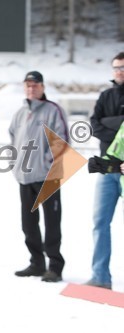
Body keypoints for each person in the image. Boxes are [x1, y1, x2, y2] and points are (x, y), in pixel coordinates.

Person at [9, 70, 69, 283]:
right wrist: (15, 164)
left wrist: (45, 164)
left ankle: (54, 266)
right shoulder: (20, 113)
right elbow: (12, 140)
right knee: (28, 224)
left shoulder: (53, 110)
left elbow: (61, 142)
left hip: (47, 177)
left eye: (35, 85)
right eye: (28, 85)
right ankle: (36, 263)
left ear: (43, 87)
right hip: (25, 178)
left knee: (52, 223)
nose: (31, 88)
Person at [85, 52, 124, 290]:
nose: (119, 71)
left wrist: (111, 123)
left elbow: (103, 125)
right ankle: (100, 277)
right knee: (100, 222)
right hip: (108, 169)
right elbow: (95, 126)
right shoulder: (105, 96)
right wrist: (119, 127)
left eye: (123, 67)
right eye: (116, 67)